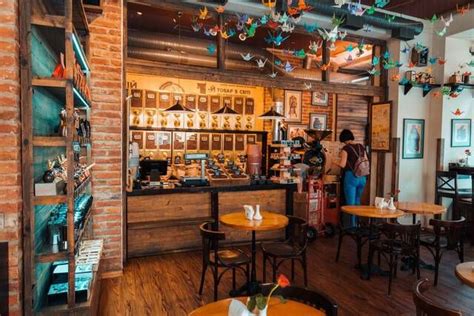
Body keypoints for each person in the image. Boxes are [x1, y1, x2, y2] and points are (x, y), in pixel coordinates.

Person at [333, 129, 368, 227]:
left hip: (351, 177)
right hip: (362, 177)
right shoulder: (361, 146)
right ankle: (358, 224)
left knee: (350, 204)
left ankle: (351, 227)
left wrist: (333, 161)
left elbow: (343, 165)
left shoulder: (346, 148)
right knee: (357, 202)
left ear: (344, 139)